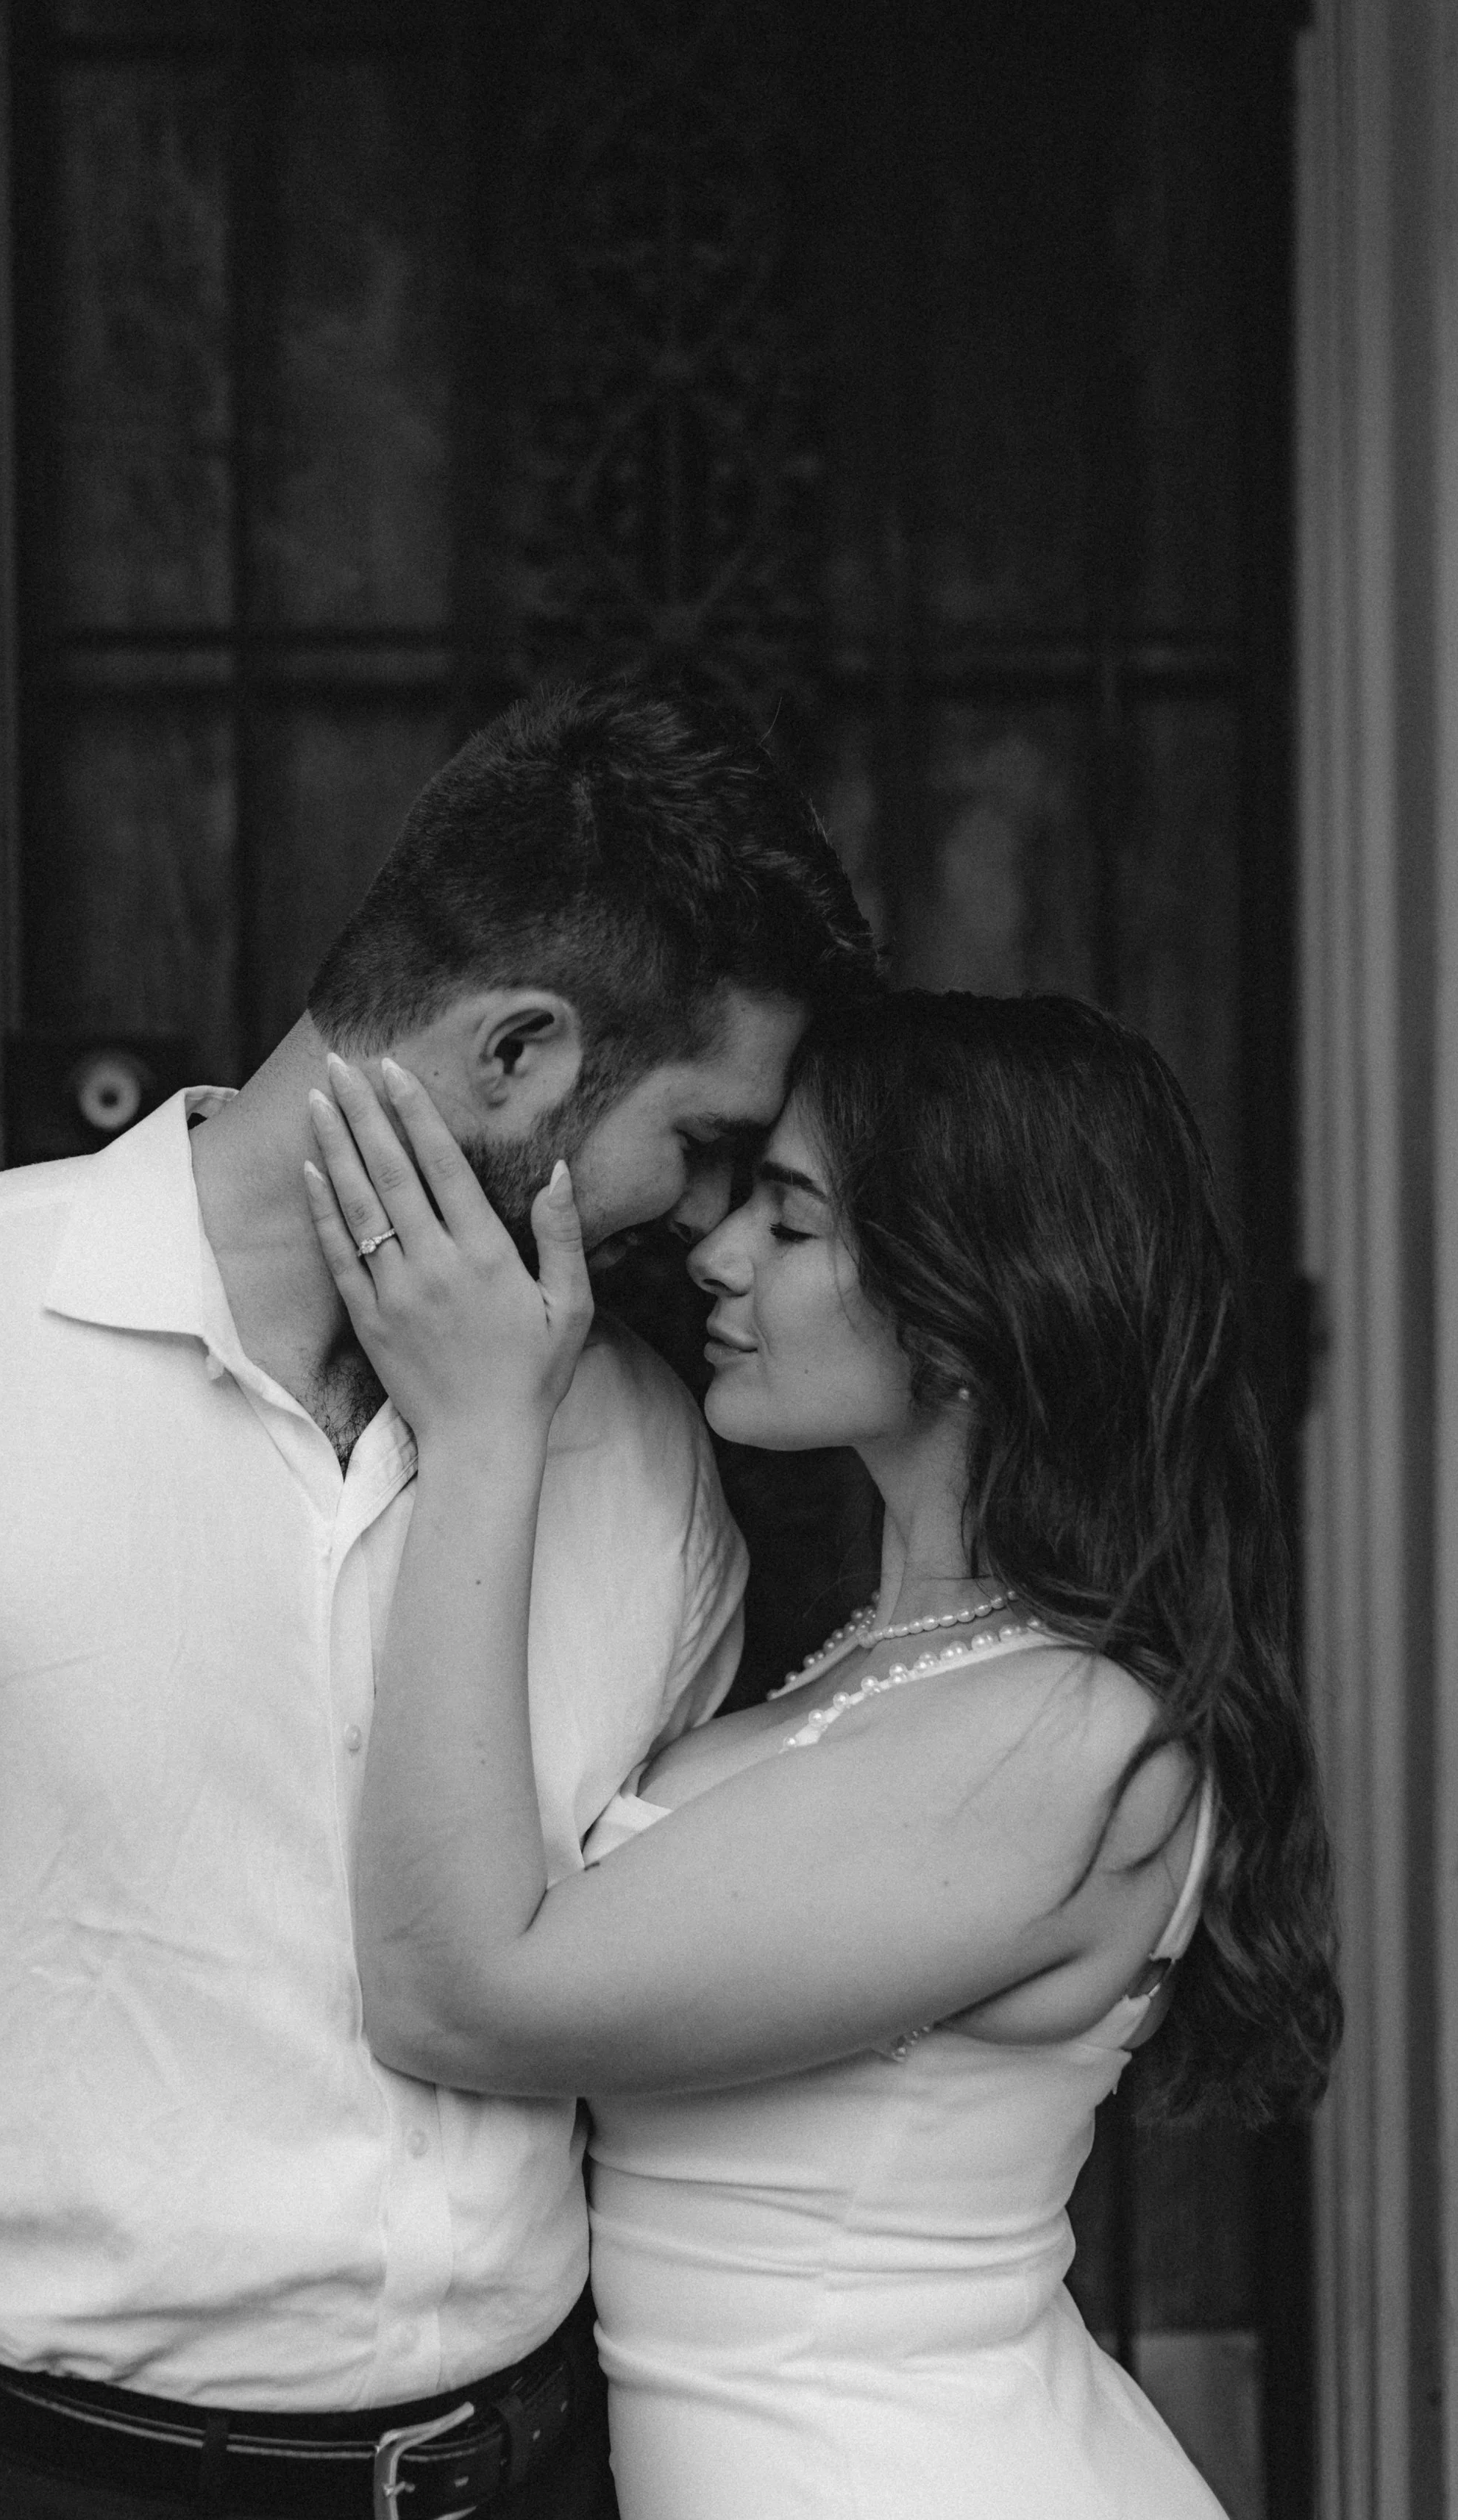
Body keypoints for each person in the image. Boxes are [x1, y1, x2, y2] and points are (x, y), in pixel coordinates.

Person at [0, 685, 875, 2520]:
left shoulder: (641, 1456)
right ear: (518, 1056)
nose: (700, 1229)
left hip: (542, 2471)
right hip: (47, 2483)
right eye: (694, 1145)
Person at [307, 989, 1342, 2519]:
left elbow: (459, 1994)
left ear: (968, 1306)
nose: (718, 1256)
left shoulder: (1062, 1735)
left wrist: (478, 1434)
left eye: (790, 1226)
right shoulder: (887, 1666)